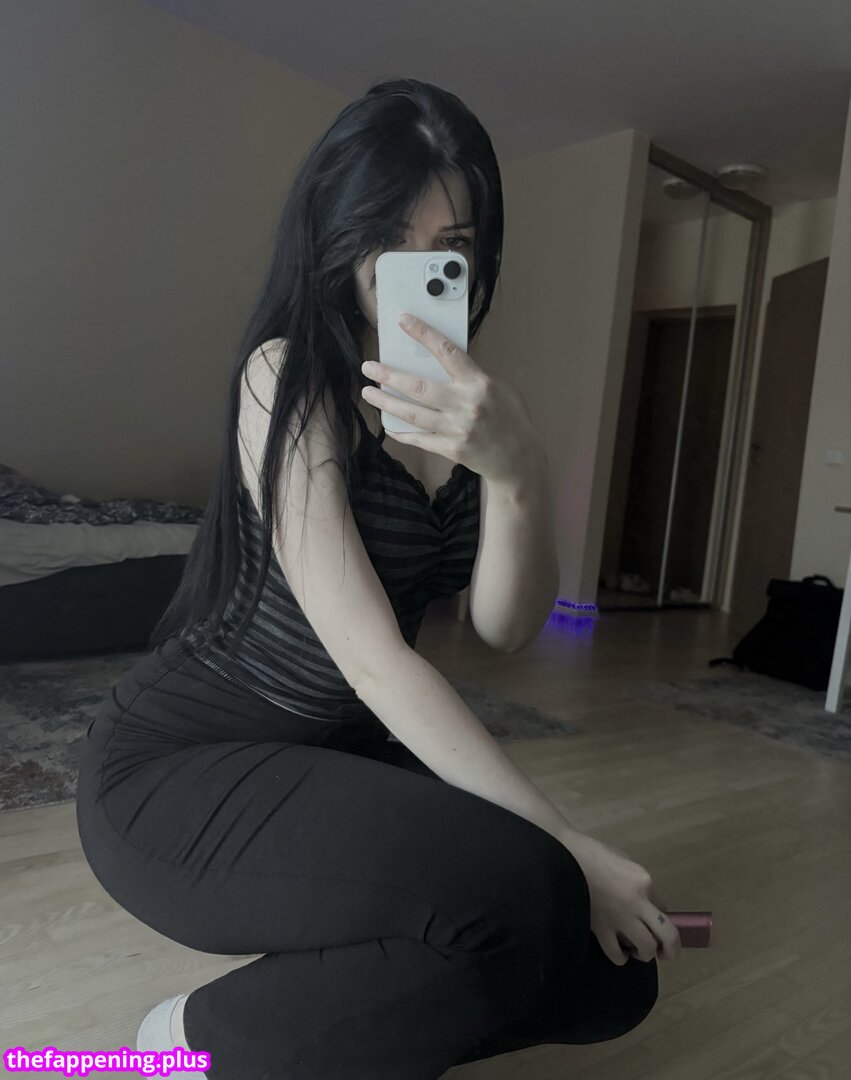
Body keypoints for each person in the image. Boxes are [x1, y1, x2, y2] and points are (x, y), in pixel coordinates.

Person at [75, 77, 679, 1080]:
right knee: (531, 891)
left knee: (615, 980)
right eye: (389, 239)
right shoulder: (288, 379)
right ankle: (190, 1041)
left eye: (452, 244)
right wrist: (570, 845)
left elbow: (505, 626)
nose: (419, 269)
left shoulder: (481, 414)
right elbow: (371, 661)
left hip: (340, 755)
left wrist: (518, 469)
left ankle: (335, 1023)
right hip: (183, 765)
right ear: (337, 235)